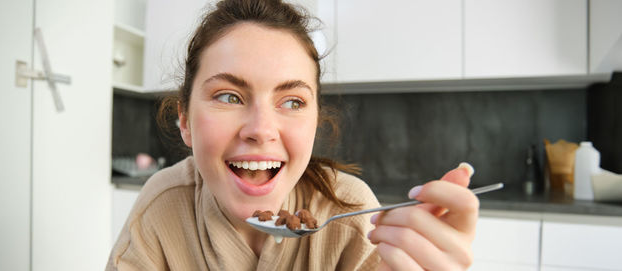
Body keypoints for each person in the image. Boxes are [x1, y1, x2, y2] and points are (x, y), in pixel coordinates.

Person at [106, 0, 479, 270]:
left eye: (293, 102)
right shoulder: (163, 206)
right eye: (228, 96)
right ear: (185, 120)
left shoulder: (348, 216)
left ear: (315, 122)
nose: (261, 130)